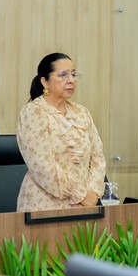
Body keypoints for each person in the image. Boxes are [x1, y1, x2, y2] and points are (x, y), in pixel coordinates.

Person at [16, 53, 106, 211]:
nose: (71, 80)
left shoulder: (81, 112)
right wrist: (80, 194)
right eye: (63, 75)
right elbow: (42, 165)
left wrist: (92, 193)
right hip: (44, 206)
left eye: (73, 74)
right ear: (45, 81)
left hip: (85, 206)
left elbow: (98, 157)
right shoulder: (34, 112)